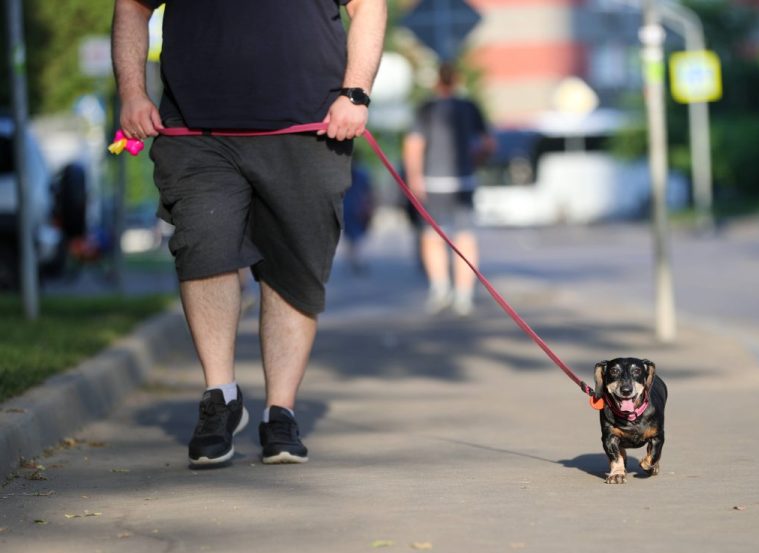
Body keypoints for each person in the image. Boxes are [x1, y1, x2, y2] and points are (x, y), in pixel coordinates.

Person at [111, 0, 387, 466]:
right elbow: (131, 7)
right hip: (198, 131)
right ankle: (220, 397)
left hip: (311, 128)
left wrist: (356, 93)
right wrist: (133, 92)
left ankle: (280, 412)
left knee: (293, 266)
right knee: (203, 245)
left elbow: (369, 5)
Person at [402, 63, 495, 317]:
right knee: (465, 237)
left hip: (432, 183)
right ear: (457, 80)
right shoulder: (470, 107)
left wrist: (414, 179)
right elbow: (487, 144)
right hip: (463, 180)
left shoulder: (426, 108)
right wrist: (474, 162)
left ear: (435, 82)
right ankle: (463, 295)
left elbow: (413, 145)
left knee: (432, 238)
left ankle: (440, 289)